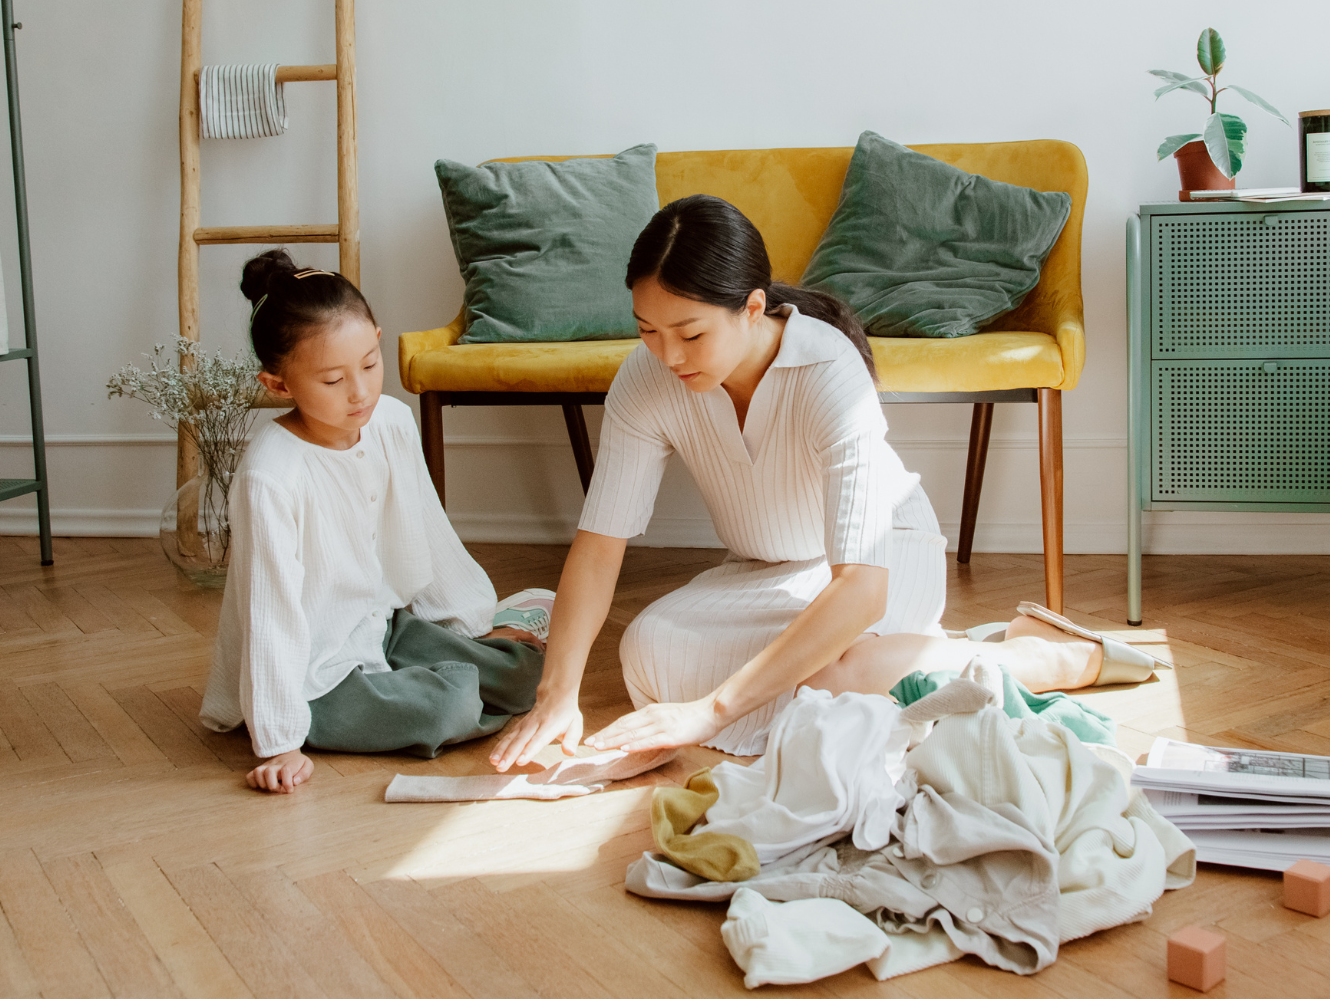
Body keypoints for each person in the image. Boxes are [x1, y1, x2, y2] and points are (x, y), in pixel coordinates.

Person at [489, 195, 1143, 769]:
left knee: (839, 679)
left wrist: (713, 710)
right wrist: (557, 695)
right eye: (648, 331)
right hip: (765, 569)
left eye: (689, 333)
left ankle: (1037, 660)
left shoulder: (826, 367)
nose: (668, 355)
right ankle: (916, 659)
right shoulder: (646, 378)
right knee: (649, 654)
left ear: (751, 307)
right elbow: (600, 545)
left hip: (880, 557)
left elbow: (858, 587)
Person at [200, 249, 554, 793]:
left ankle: (456, 663)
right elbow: (267, 609)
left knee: (521, 675)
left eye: (369, 363)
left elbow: (425, 530)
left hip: (382, 626)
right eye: (334, 379)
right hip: (317, 672)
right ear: (278, 385)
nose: (361, 391)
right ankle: (426, 690)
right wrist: (280, 741)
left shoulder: (389, 422)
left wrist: (470, 623)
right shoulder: (270, 476)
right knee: (449, 706)